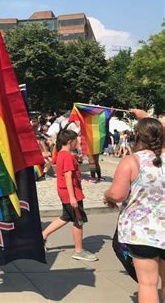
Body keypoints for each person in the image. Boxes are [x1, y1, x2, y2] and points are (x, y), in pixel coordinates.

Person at [104, 118, 164, 303]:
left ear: (138, 136)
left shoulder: (132, 161)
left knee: (148, 284)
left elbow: (118, 194)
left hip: (142, 232)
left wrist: (108, 195)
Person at [42, 129, 98, 261]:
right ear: (70, 142)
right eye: (76, 140)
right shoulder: (67, 156)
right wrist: (73, 197)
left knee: (66, 217)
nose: (78, 142)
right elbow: (68, 176)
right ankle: (79, 251)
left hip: (65, 191)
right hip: (71, 192)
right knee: (79, 220)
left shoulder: (62, 154)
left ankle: (43, 236)